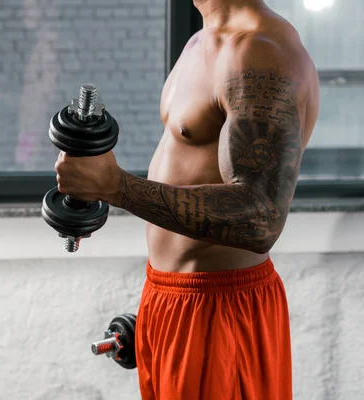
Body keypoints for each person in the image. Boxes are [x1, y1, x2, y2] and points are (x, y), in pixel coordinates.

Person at [54, 0, 320, 398]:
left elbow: (261, 215)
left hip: (221, 313)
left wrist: (117, 188)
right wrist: (161, 309)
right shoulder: (201, 40)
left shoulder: (261, 51)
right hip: (169, 301)